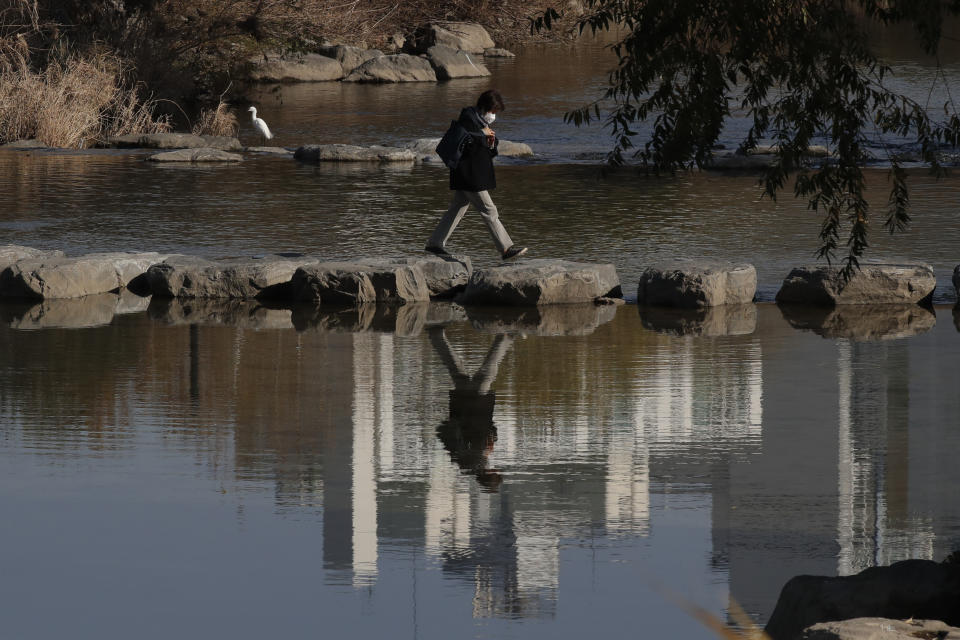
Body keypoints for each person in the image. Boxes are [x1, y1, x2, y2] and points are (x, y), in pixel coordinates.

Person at [426, 89, 528, 261]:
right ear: (485, 107)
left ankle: (434, 243)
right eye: (493, 111)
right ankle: (505, 248)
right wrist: (483, 134)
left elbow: (485, 149)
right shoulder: (468, 118)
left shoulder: (481, 122)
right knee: (489, 210)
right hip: (469, 176)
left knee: (456, 209)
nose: (493, 116)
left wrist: (490, 143)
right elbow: (463, 137)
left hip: (470, 175)